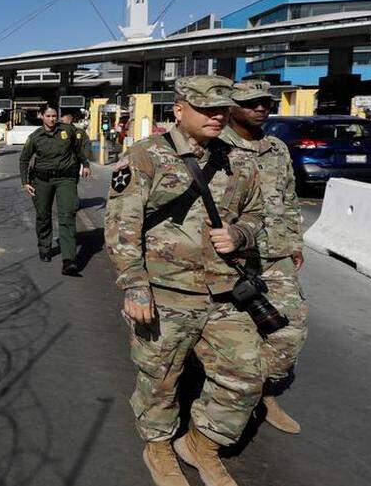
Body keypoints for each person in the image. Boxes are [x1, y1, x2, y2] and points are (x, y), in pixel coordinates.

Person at [104, 75, 265, 486]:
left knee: (246, 373)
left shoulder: (239, 159)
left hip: (224, 292)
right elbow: (122, 226)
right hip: (165, 292)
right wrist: (135, 285)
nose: (218, 116)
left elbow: (255, 215)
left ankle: (201, 444)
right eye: (207, 109)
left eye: (223, 109)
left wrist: (239, 235)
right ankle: (158, 445)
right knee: (160, 379)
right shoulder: (146, 156)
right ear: (178, 109)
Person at [224, 80, 308, 435]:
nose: (261, 108)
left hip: (275, 254)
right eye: (252, 103)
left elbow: (289, 198)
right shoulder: (215, 146)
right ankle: (223, 401)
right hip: (232, 258)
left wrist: (294, 242)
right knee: (231, 336)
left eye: (266, 103)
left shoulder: (277, 148)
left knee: (291, 329)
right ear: (231, 107)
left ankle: (264, 393)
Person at [19, 106, 91, 276]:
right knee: (43, 215)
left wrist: (85, 164)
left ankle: (69, 261)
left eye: (54, 116)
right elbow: (24, 160)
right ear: (42, 117)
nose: (52, 119)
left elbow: (77, 150)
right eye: (48, 116)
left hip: (65, 179)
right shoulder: (35, 137)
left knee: (67, 215)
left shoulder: (67, 131)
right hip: (42, 180)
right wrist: (25, 182)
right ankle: (44, 248)